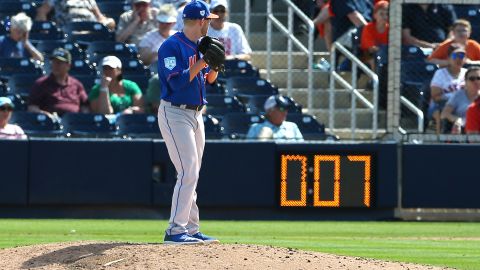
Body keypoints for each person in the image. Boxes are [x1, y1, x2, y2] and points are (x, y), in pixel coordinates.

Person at [157, 0, 220, 245]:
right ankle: (175, 230)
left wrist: (214, 65)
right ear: (201, 21)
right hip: (175, 113)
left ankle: (191, 229)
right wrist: (204, 61)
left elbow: (209, 79)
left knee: (192, 173)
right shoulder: (170, 46)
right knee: (188, 171)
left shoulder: (200, 45)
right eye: (209, 20)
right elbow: (177, 82)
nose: (210, 25)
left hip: (196, 114)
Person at [29, 48, 89, 118]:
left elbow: (85, 107)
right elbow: (32, 107)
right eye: (53, 62)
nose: (55, 65)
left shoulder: (77, 85)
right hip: (52, 123)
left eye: (59, 63)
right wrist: (44, 114)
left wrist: (82, 117)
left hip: (73, 123)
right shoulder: (41, 84)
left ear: (68, 66)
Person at [429, 44, 467, 134]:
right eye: (455, 55)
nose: (459, 58)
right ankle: (443, 138)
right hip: (441, 105)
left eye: (462, 56)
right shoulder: (440, 73)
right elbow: (435, 97)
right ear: (449, 58)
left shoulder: (468, 74)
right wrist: (453, 99)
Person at [440, 66, 480, 134]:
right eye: (472, 79)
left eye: (479, 78)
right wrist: (457, 120)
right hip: (462, 129)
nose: (476, 81)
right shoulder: (458, 95)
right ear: (466, 81)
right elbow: (444, 114)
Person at [138, 4, 178, 69]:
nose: (164, 25)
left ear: (174, 23)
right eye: (162, 22)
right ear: (158, 21)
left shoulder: (178, 37)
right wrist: (159, 52)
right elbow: (143, 59)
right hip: (156, 71)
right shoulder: (148, 37)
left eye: (168, 23)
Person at [35, 0, 116, 30]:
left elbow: (99, 17)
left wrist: (107, 22)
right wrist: (45, 31)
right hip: (67, 30)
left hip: (89, 31)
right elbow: (42, 12)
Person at [360, 1, 388, 69]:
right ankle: (376, 79)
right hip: (369, 55)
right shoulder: (368, 28)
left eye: (386, 14)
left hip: (387, 54)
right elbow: (371, 48)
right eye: (381, 14)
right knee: (375, 59)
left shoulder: (390, 29)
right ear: (375, 15)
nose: (384, 17)